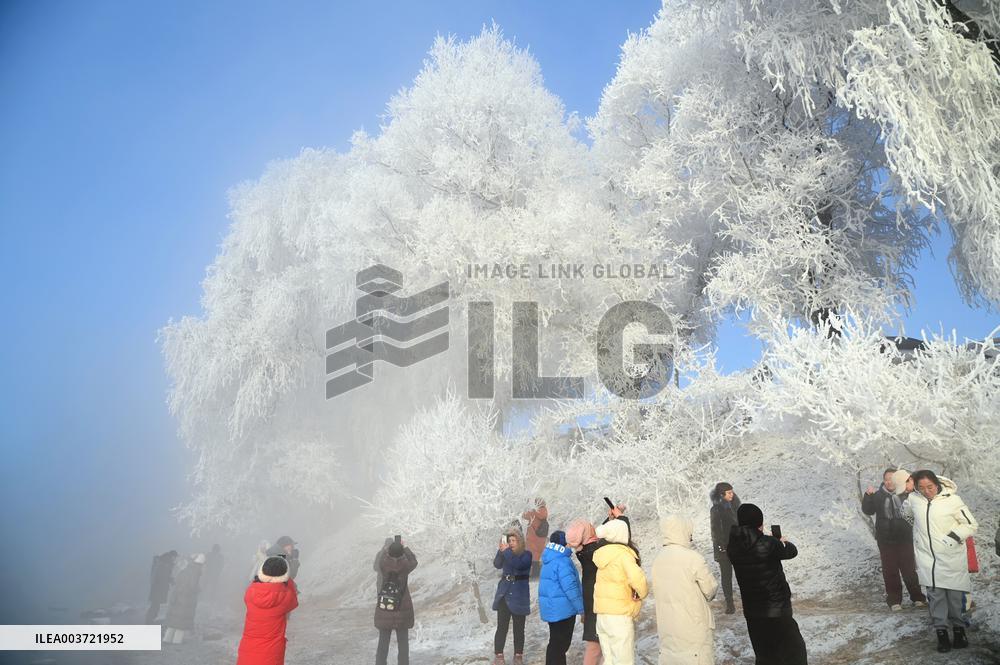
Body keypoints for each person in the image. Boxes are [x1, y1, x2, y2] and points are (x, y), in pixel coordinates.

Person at [904, 470, 979, 653]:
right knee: (936, 598)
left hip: (951, 557)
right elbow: (906, 515)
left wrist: (952, 538)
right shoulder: (913, 499)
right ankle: (942, 634)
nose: (926, 491)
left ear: (937, 484)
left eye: (930, 487)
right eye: (921, 488)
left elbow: (971, 524)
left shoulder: (953, 500)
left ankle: (959, 631)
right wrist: (919, 535)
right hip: (927, 559)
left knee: (954, 598)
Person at [727, 504, 807, 665]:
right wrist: (782, 541)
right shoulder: (769, 543)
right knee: (794, 654)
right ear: (759, 523)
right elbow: (791, 552)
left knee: (765, 657)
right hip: (776, 610)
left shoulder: (733, 547)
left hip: (753, 613)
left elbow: (751, 545)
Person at [652, 514, 718, 665]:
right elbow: (710, 589)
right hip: (693, 625)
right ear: (683, 531)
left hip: (668, 626)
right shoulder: (693, 558)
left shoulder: (658, 560)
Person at [862, 468, 926, 611]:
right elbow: (868, 510)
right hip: (885, 540)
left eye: (892, 479)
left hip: (904, 537)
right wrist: (868, 496)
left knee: (909, 569)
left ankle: (918, 598)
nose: (889, 482)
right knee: (890, 570)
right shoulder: (878, 495)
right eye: (886, 479)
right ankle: (894, 600)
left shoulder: (906, 493)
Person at [593, 518, 648, 665]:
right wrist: (642, 593)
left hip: (602, 615)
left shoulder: (602, 555)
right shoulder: (623, 555)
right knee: (623, 660)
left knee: (609, 660)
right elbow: (638, 579)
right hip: (619, 615)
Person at [236, 555, 299, 665]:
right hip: (272, 650)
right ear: (284, 575)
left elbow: (256, 583)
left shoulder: (250, 592)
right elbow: (294, 601)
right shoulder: (286, 597)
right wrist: (288, 579)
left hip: (248, 647)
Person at [538, 531, 584, 665]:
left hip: (552, 608)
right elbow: (571, 588)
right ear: (564, 543)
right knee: (560, 646)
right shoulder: (562, 561)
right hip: (563, 610)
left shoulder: (549, 558)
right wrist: (581, 609)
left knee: (555, 644)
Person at [566, 519, 604, 665]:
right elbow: (614, 535)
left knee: (595, 646)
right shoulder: (596, 552)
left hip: (590, 601)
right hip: (598, 603)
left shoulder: (584, 551)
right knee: (597, 647)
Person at [374, 538, 418, 665]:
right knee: (403, 644)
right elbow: (414, 561)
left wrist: (384, 549)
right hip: (402, 609)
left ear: (389, 551)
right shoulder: (405, 566)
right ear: (401, 553)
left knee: (383, 643)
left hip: (385, 608)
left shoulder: (384, 564)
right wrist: (405, 547)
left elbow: (376, 564)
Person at [492, 528, 532, 665]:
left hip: (519, 595)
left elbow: (519, 565)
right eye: (509, 541)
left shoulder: (527, 555)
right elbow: (497, 564)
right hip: (504, 594)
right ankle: (499, 655)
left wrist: (506, 552)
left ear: (520, 542)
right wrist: (500, 550)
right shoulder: (505, 553)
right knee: (501, 627)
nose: (511, 543)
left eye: (514, 540)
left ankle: (518, 656)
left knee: (519, 628)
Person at [709, 482, 741, 614]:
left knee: (742, 573)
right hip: (723, 548)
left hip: (737, 546)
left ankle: (747, 597)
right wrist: (721, 545)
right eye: (729, 493)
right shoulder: (716, 509)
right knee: (726, 576)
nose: (732, 494)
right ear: (722, 495)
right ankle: (730, 603)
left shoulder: (736, 506)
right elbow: (715, 529)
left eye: (732, 492)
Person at [164, 554, 205, 645]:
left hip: (177, 598)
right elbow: (192, 587)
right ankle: (176, 642)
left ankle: (167, 639)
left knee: (173, 621)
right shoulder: (195, 572)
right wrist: (198, 590)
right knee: (181, 623)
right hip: (186, 600)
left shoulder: (184, 570)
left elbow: (177, 583)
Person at [146, 550, 177, 625]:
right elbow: (162, 576)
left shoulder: (165, 563)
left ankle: (150, 620)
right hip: (158, 589)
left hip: (158, 588)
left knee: (155, 605)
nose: (175, 559)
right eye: (175, 557)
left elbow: (165, 576)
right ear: (172, 556)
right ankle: (149, 621)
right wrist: (170, 580)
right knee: (155, 606)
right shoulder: (165, 564)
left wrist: (171, 580)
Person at [522, 498, 550, 578]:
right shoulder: (544, 512)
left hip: (533, 538)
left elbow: (524, 515)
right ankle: (536, 572)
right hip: (540, 538)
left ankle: (534, 573)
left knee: (531, 555)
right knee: (536, 555)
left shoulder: (534, 513)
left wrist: (526, 506)